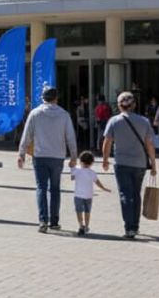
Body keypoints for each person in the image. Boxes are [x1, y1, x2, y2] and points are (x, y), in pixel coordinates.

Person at [17, 86, 79, 233]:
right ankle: (55, 221)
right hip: (57, 157)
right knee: (55, 189)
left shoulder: (35, 113)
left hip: (40, 156)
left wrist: (21, 154)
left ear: (42, 98)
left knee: (41, 188)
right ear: (56, 98)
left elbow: (27, 136)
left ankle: (43, 220)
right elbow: (70, 137)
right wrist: (74, 156)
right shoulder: (64, 115)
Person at [102, 91, 157, 240]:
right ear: (134, 105)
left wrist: (105, 160)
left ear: (119, 106)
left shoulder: (113, 121)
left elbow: (107, 142)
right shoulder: (144, 121)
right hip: (139, 163)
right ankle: (136, 225)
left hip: (121, 163)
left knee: (125, 194)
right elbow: (150, 143)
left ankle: (129, 227)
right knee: (136, 194)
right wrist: (153, 163)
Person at [70, 150, 111, 236]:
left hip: (78, 195)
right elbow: (97, 183)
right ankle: (87, 226)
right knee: (87, 211)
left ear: (80, 161)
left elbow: (72, 178)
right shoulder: (92, 173)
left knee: (79, 211)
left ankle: (81, 225)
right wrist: (104, 188)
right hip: (89, 196)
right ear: (92, 163)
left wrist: (72, 168)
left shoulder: (77, 170)